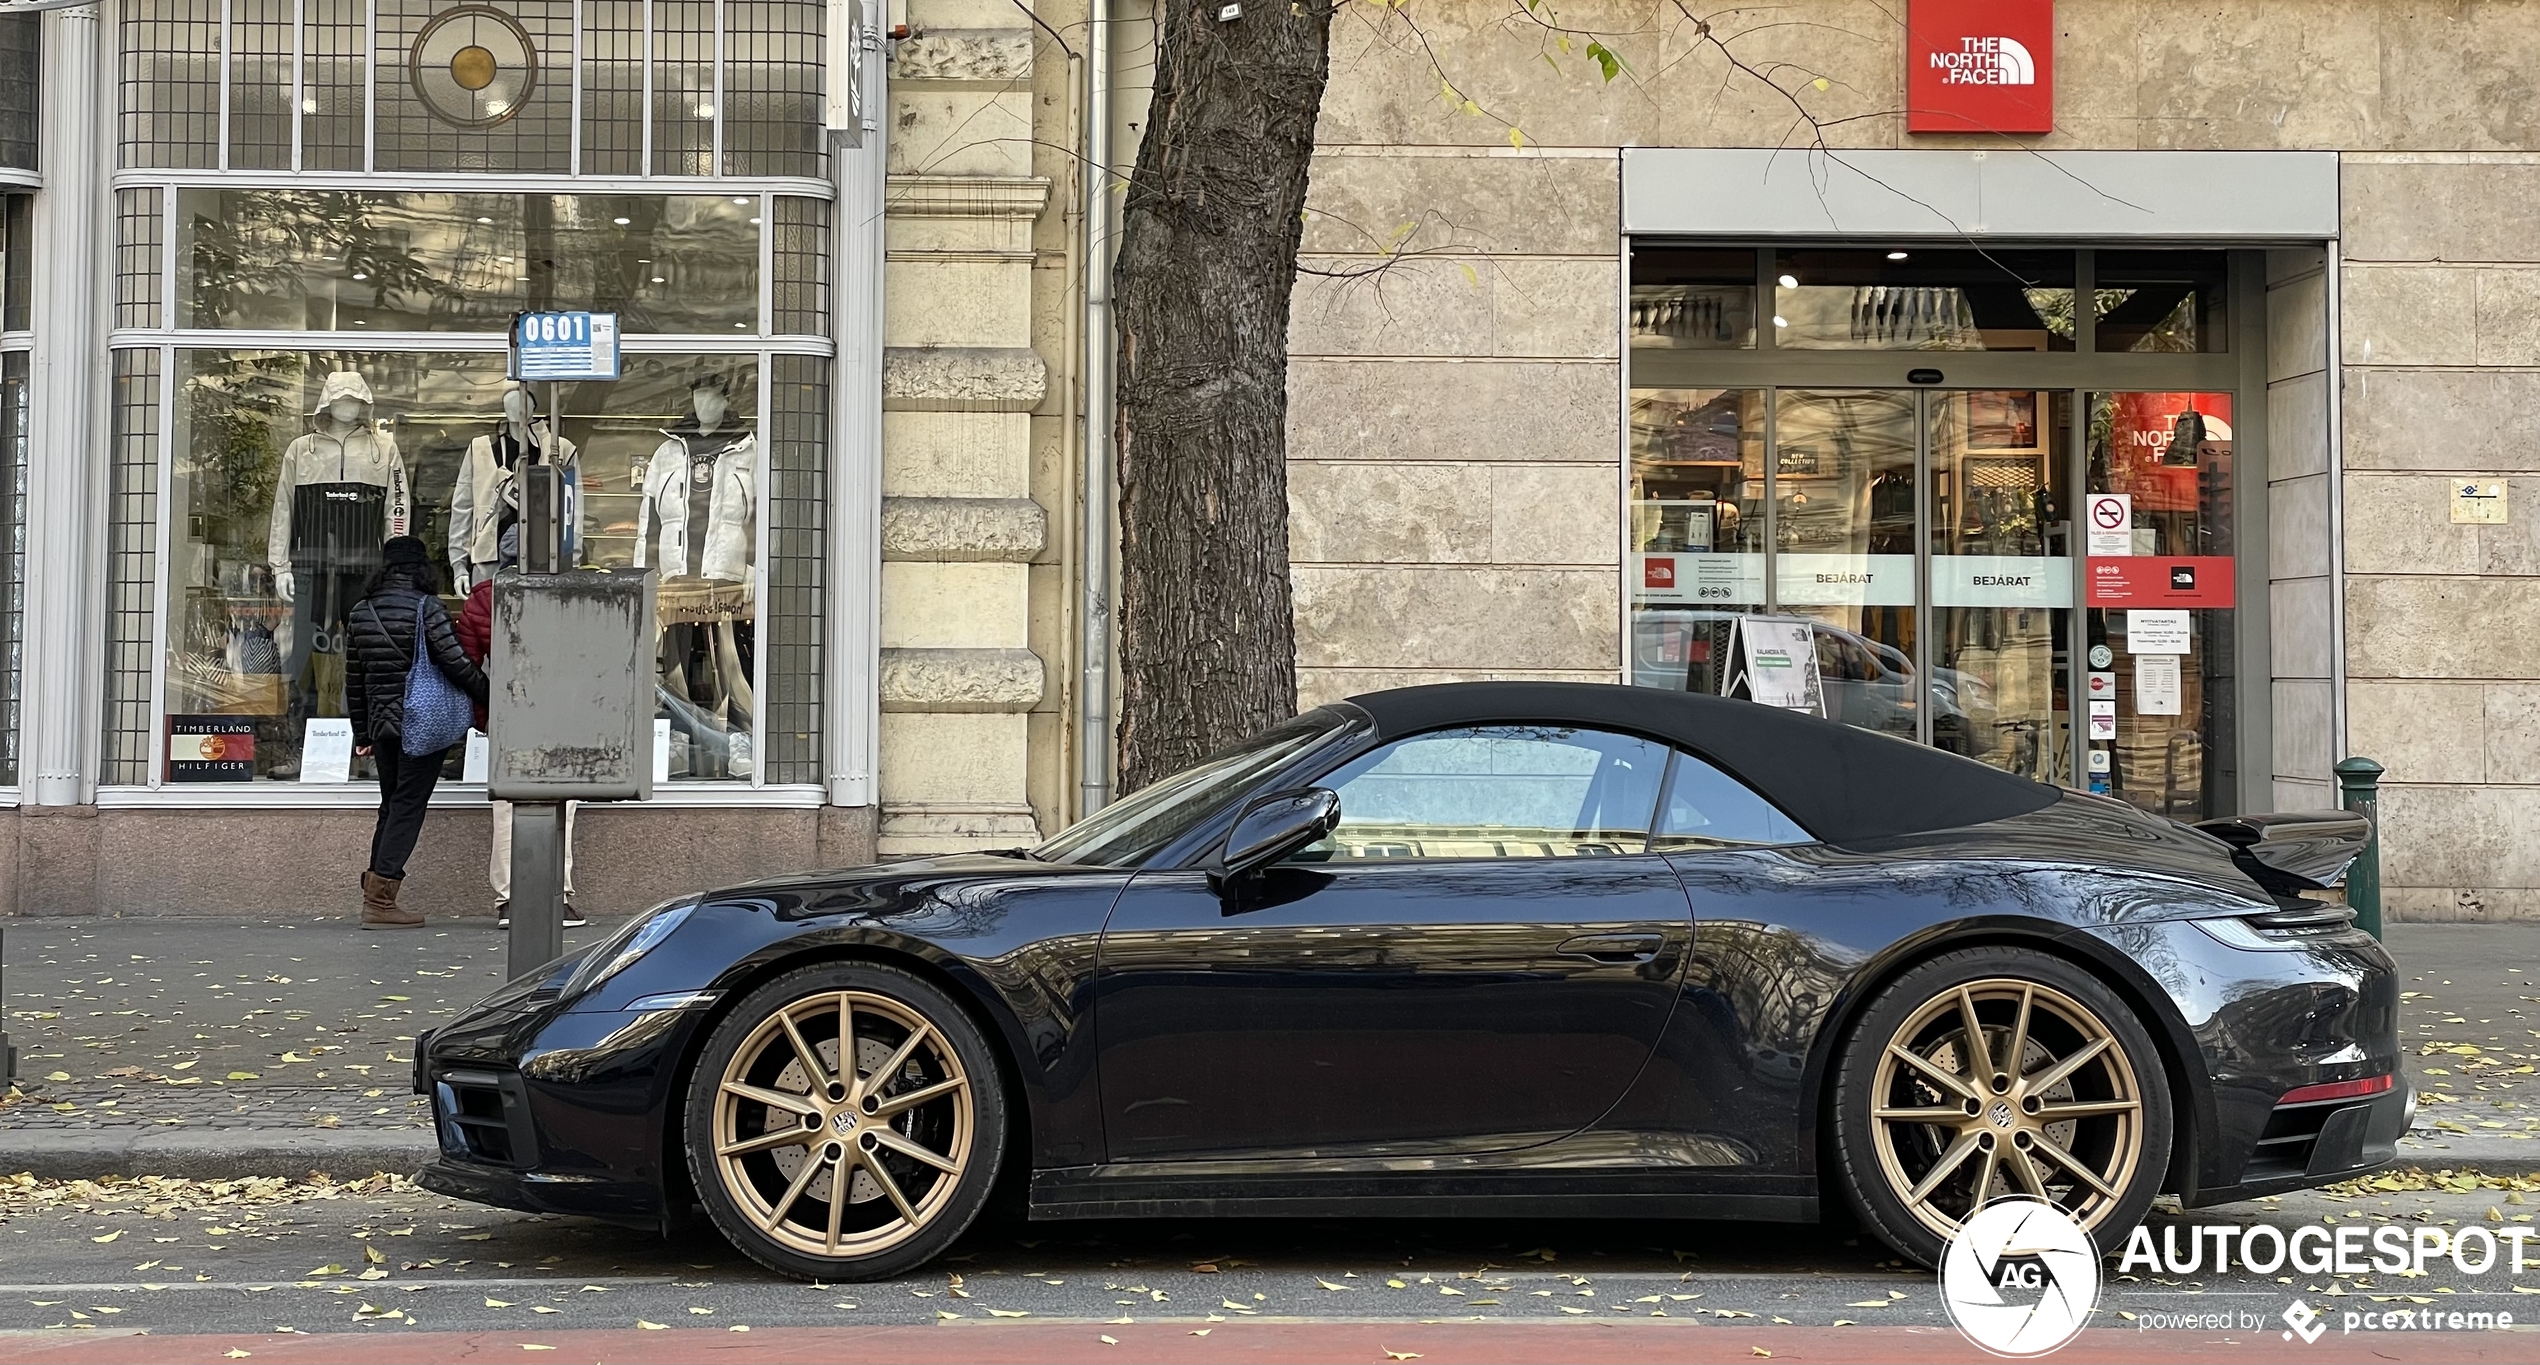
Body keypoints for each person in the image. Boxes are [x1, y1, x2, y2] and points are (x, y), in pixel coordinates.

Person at [346, 535, 487, 930]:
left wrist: (363, 733)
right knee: (408, 805)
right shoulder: (428, 607)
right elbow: (455, 663)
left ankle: (375, 892)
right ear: (421, 568)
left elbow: (353, 681)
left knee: (391, 805)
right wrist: (492, 697)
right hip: (421, 721)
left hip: (383, 724)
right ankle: (380, 901)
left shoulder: (360, 612)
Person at [455, 521, 586, 929]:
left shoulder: (483, 597)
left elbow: (466, 665)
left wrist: (486, 716)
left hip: (510, 710)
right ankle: (559, 895)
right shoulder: (567, 595)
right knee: (565, 800)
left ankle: (510, 899)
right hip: (562, 709)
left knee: (507, 805)